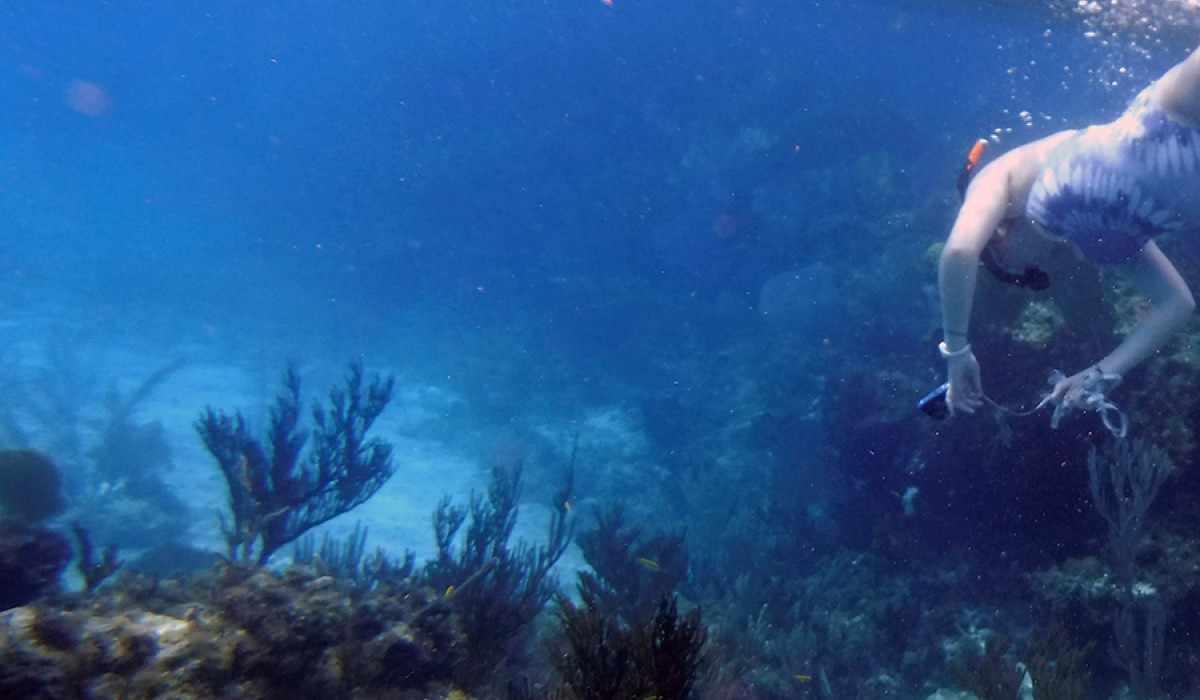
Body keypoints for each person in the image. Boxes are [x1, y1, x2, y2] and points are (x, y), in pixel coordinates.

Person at [940, 46, 1200, 417]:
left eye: (1015, 273)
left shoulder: (1001, 178)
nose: (1032, 275)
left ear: (996, 240)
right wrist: (1098, 374)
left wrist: (957, 351)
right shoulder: (1097, 239)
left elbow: (960, 251)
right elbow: (1178, 305)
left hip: (1160, 125)